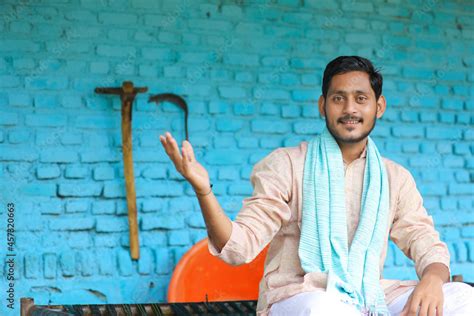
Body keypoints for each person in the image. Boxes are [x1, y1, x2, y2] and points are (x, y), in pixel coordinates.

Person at [160, 56, 473, 315]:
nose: (350, 109)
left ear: (378, 107)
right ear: (323, 106)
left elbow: (424, 240)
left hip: (368, 296)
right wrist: (204, 190)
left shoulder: (395, 178)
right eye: (339, 98)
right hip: (300, 297)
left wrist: (433, 277)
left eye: (361, 99)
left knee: (461, 298)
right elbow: (238, 248)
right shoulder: (287, 164)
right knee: (328, 309)